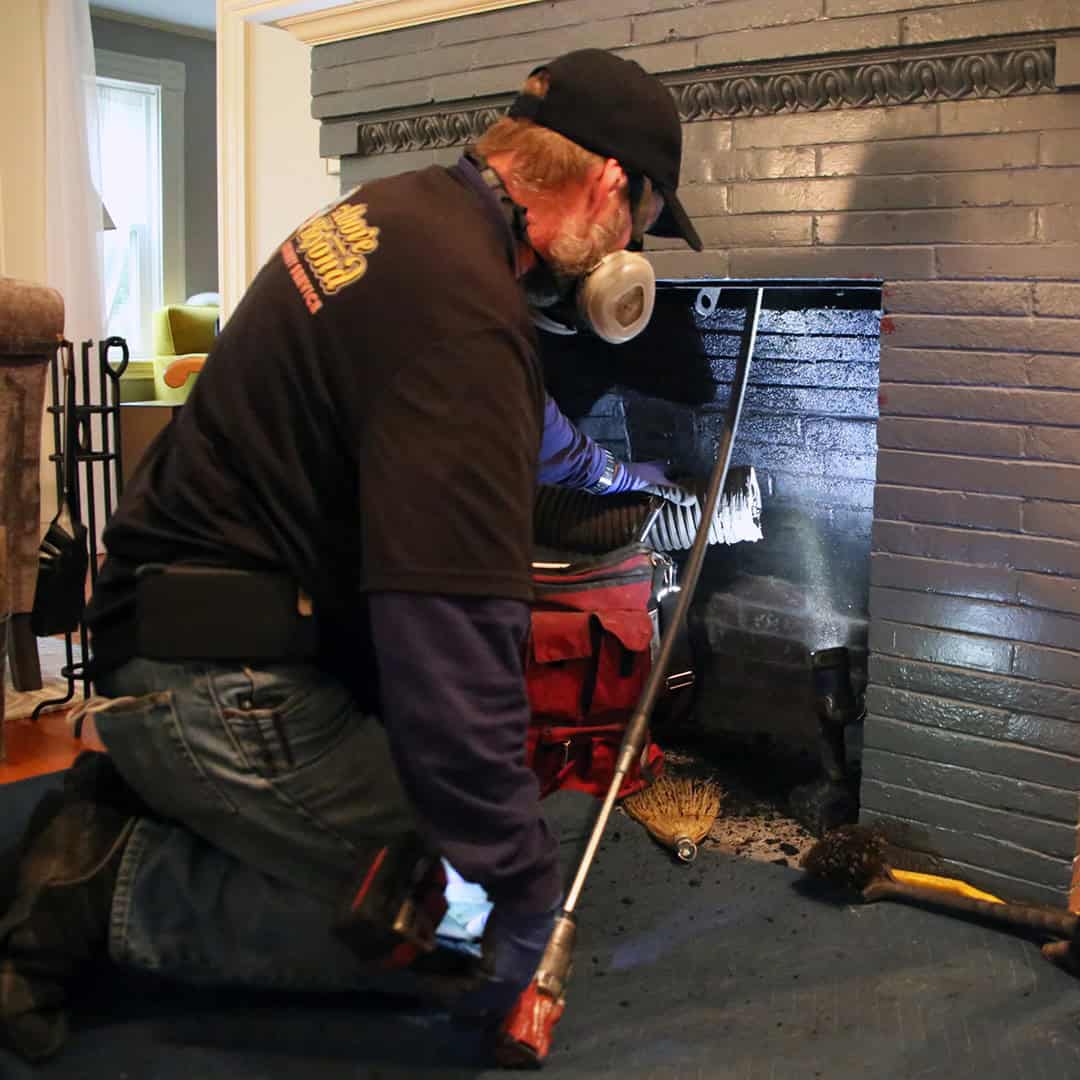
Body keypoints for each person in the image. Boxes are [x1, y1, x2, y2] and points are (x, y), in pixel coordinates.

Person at [0, 47, 702, 1064]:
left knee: (444, 857)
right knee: (446, 923)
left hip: (169, 620)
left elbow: (515, 411)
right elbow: (450, 647)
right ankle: (107, 884)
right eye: (640, 215)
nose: (633, 240)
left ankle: (161, 792)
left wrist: (610, 477)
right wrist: (514, 881)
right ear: (605, 185)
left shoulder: (402, 217)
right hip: (226, 680)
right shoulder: (467, 321)